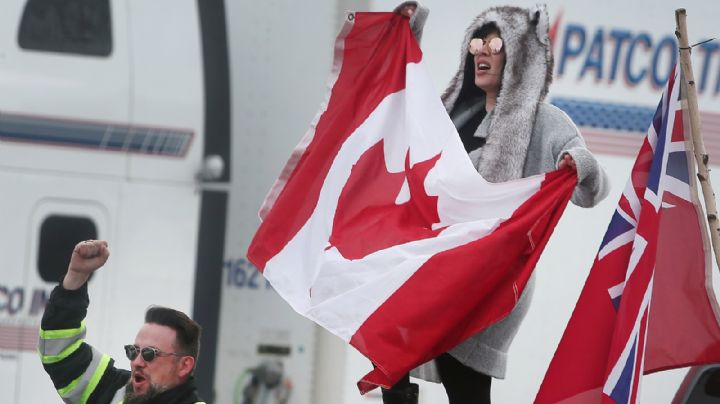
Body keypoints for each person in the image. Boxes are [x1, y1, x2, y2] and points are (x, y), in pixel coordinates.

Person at [381, 3, 610, 404]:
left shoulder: (547, 122)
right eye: (476, 42)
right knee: (388, 351)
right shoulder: (452, 114)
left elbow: (593, 190)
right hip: (439, 266)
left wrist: (580, 165)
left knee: (463, 385)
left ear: (521, 55)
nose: (481, 52)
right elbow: (403, 105)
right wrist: (408, 33)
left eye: (495, 42)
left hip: (493, 281)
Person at [38, 240, 205, 404]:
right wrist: (76, 276)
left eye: (149, 354)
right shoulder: (115, 392)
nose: (137, 362)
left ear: (184, 366)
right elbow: (59, 352)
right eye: (133, 351)